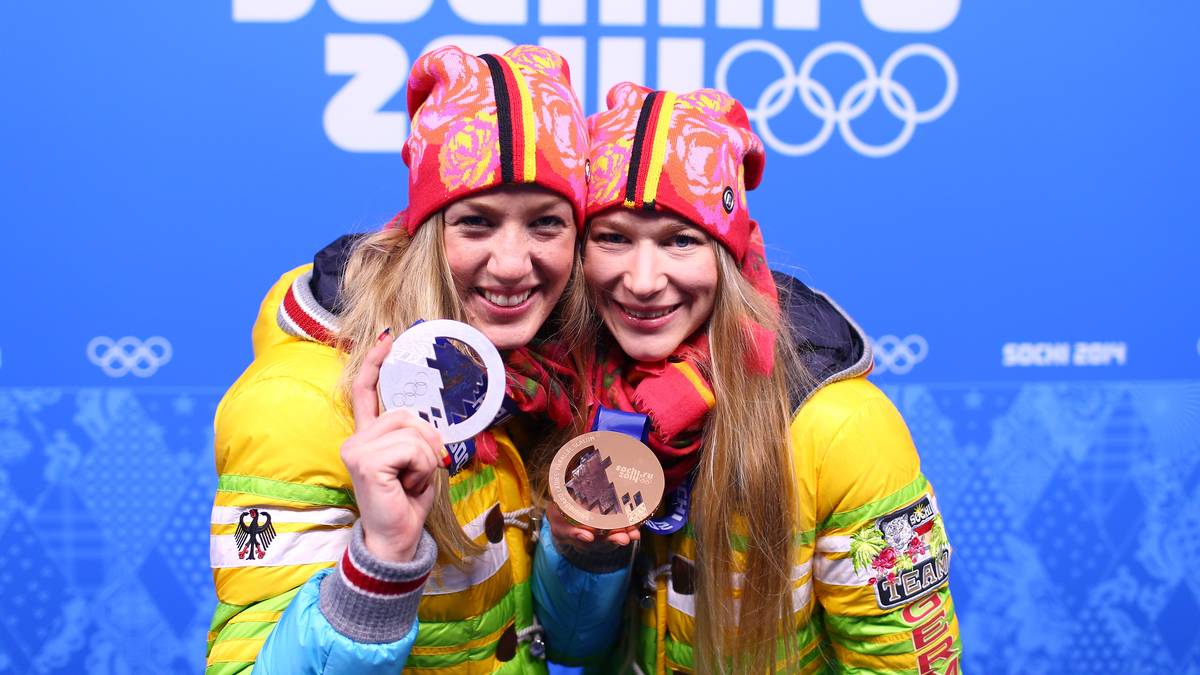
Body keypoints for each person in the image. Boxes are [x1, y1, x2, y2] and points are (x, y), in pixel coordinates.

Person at [206, 45, 630, 674]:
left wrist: (584, 558)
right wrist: (380, 561)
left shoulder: (530, 376)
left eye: (546, 224)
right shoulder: (298, 400)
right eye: (476, 223)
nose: (512, 264)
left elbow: (566, 643)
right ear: (426, 229)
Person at [550, 83, 963, 673]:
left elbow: (903, 660)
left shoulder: (843, 426)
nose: (642, 281)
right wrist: (586, 558)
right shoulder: (580, 395)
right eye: (613, 238)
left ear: (731, 254)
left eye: (681, 241)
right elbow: (572, 645)